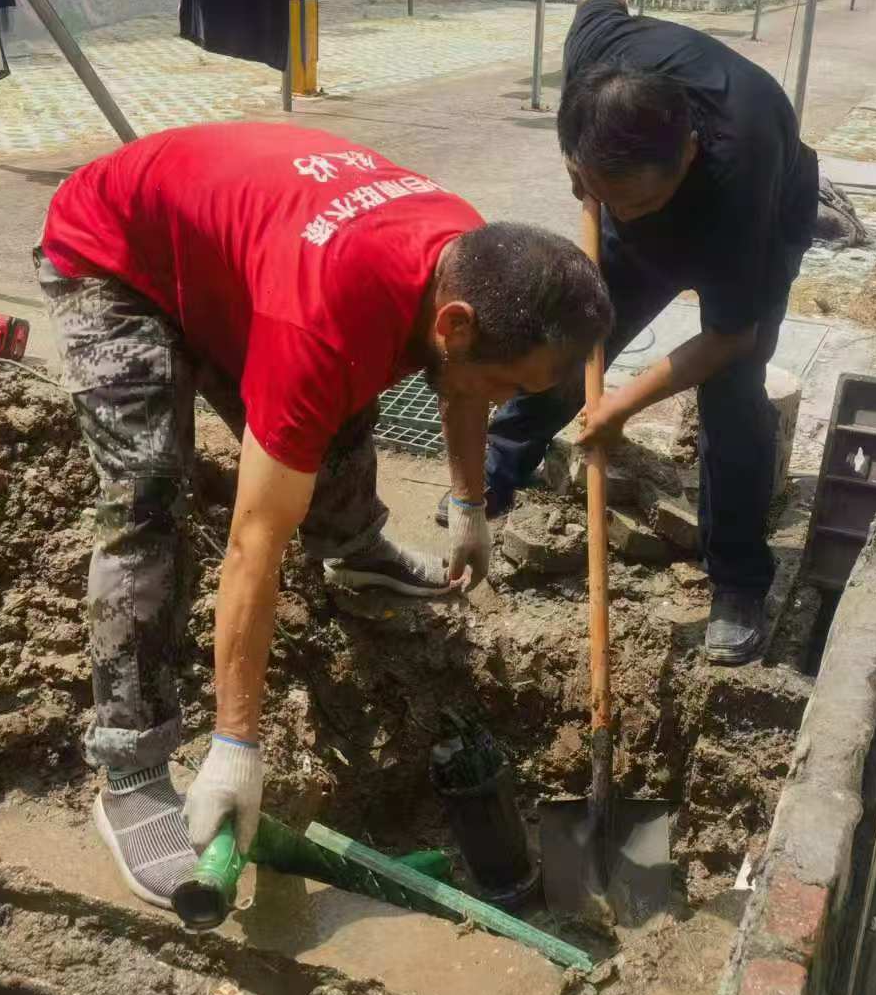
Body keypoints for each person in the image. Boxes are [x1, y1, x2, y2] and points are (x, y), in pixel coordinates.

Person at [36, 122, 613, 907]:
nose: (509, 404)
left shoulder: (467, 257)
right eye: (514, 385)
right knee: (147, 498)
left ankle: (352, 544)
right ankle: (131, 766)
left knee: (337, 399)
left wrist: (469, 504)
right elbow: (252, 545)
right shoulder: (322, 316)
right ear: (457, 323)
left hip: (230, 255)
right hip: (114, 257)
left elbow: (466, 380)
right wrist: (237, 743)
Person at [444, 0, 819, 666]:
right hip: (641, 191)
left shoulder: (743, 161)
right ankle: (492, 481)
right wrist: (593, 189)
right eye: (597, 190)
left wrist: (620, 405)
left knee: (733, 395)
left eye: (635, 202)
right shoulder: (599, 53)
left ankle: (737, 579)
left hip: (759, 218)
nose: (617, 210)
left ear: (686, 152)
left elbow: (729, 336)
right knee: (567, 337)